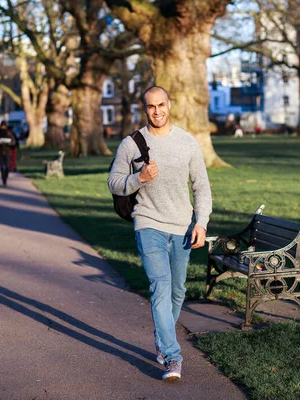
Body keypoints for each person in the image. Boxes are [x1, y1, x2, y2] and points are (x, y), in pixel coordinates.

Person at [107, 86, 212, 382]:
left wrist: (201, 222)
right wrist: (139, 178)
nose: (157, 111)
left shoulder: (187, 143)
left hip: (181, 227)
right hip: (148, 223)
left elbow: (201, 186)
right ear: (145, 109)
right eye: (151, 106)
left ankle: (161, 334)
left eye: (161, 105)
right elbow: (114, 182)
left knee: (178, 290)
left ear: (169, 105)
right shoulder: (131, 144)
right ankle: (172, 356)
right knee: (160, 286)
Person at [0, 121, 17, 186]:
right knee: (2, 167)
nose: (3, 127)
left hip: (7, 152)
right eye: (2, 126)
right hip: (0, 152)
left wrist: (8, 143)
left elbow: (13, 142)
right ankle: (4, 181)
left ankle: (6, 176)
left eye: (4, 126)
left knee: (8, 167)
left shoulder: (9, 133)